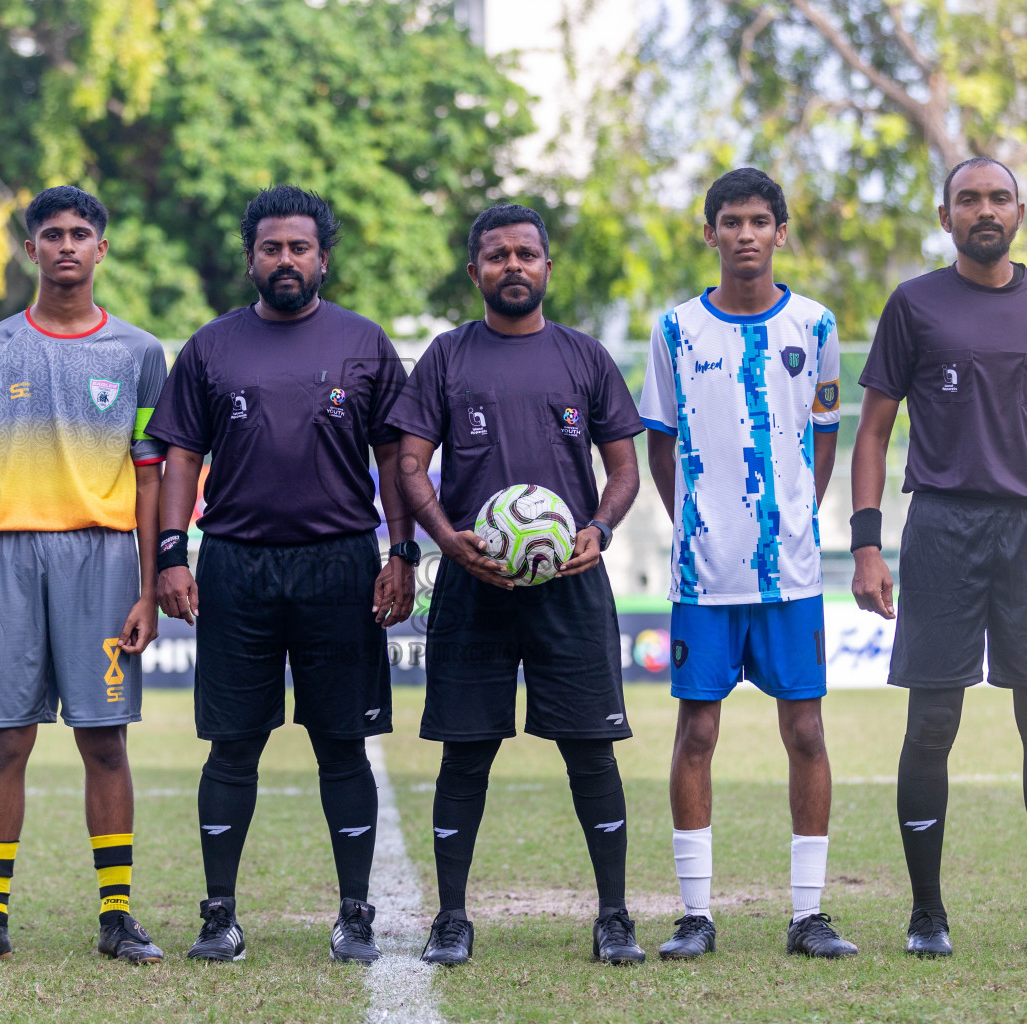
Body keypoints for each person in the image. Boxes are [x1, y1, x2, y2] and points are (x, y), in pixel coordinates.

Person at [852, 157, 1027, 957]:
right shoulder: (914, 305)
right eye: (968, 198)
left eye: (998, 197)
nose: (985, 209)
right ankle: (926, 915)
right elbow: (871, 430)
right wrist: (866, 542)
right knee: (932, 718)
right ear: (945, 216)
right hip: (940, 525)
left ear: (1020, 212)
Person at [147, 185, 415, 964]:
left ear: (323, 257)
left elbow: (395, 456)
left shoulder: (364, 343)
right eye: (272, 248)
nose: (286, 259)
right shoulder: (211, 347)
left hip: (339, 565)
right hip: (236, 563)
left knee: (342, 745)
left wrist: (401, 553)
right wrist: (171, 553)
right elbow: (180, 456)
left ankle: (356, 913)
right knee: (232, 745)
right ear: (251, 259)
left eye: (300, 247)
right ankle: (219, 915)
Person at [387, 203, 645, 966]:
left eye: (525, 254)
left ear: (546, 267)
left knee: (591, 752)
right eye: (496, 256)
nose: (512, 266)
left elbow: (625, 468)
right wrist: (446, 541)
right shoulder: (445, 356)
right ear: (475, 272)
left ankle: (615, 917)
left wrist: (598, 529)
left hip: (570, 584)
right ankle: (453, 919)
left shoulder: (585, 357)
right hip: (474, 584)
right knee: (464, 754)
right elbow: (408, 465)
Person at [0, 186, 168, 966]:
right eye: (51, 235)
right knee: (5, 741)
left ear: (102, 249)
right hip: (7, 558)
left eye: (80, 234)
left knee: (105, 741)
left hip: (102, 561)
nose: (66, 245)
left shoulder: (139, 354)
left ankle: (117, 916)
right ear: (30, 250)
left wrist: (147, 585)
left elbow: (150, 478)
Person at [642, 168, 858, 961]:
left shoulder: (816, 324)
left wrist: (796, 511)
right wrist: (694, 522)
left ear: (781, 232)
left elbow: (825, 429)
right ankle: (695, 914)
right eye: (729, 221)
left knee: (805, 729)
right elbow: (659, 441)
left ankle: (809, 916)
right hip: (704, 573)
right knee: (696, 730)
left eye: (759, 221)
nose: (744, 234)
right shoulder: (675, 330)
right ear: (710, 234)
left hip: (790, 574)